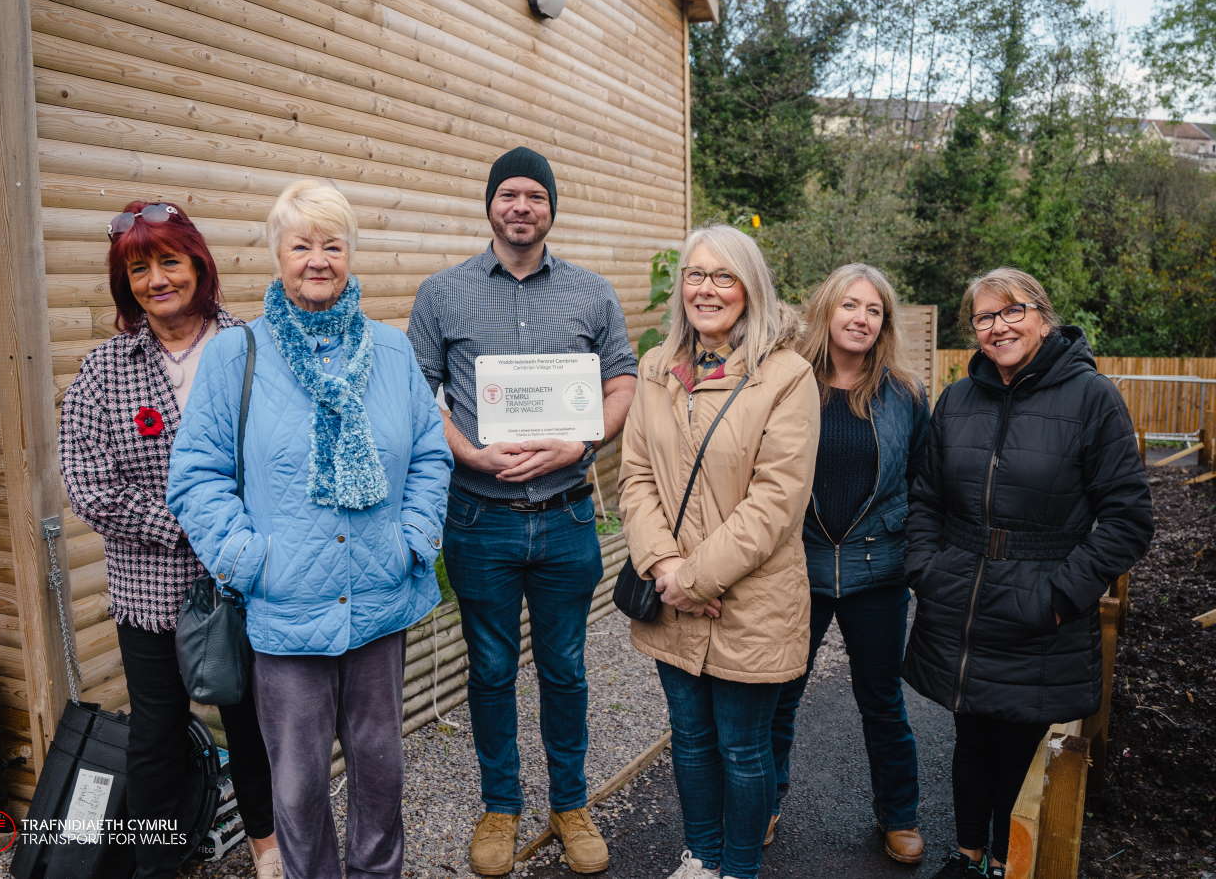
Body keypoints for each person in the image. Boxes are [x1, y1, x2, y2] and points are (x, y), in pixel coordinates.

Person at [167, 180, 452, 879]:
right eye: (302, 245)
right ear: (278, 255)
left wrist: (413, 538)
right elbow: (197, 478)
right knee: (296, 786)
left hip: (381, 599)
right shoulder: (238, 357)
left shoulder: (389, 352)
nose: (317, 259)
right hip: (285, 603)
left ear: (350, 253)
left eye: (332, 244)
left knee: (381, 773)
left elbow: (429, 454)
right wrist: (247, 558)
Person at [406, 146, 638, 876]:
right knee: (493, 669)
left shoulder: (592, 294)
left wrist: (580, 442)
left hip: (568, 515)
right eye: (509, 194)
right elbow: (416, 393)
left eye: (535, 196)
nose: (521, 207)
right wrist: (468, 454)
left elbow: (623, 381)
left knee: (567, 668)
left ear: (550, 209)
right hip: (481, 517)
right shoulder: (442, 294)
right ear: (490, 205)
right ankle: (501, 806)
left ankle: (570, 802)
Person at [904, 268, 1153, 879]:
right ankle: (964, 856)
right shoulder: (958, 400)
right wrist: (926, 570)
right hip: (961, 597)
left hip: (1039, 606)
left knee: (1017, 745)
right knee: (971, 737)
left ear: (1043, 316)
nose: (999, 326)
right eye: (985, 318)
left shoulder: (1092, 398)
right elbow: (924, 498)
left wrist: (1060, 595)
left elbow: (1128, 518)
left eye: (1012, 311)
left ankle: (1002, 860)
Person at [59, 201, 282, 879]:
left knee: (251, 725)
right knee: (155, 736)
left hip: (245, 579)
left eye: (169, 261)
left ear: (197, 266)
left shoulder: (252, 348)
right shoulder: (104, 371)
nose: (157, 279)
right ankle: (156, 863)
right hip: (150, 591)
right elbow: (89, 485)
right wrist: (191, 526)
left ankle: (270, 848)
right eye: (139, 267)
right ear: (124, 281)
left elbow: (283, 458)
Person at [618, 225, 820, 879]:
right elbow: (636, 475)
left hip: (752, 601)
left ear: (750, 287)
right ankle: (700, 858)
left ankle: (738, 867)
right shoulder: (656, 368)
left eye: (723, 275)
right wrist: (666, 568)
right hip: (674, 593)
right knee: (692, 743)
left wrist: (696, 579)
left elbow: (776, 501)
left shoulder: (786, 377)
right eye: (695, 274)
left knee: (742, 749)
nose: (706, 288)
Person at [768, 263, 929, 864]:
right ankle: (767, 801)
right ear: (826, 310)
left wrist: (914, 557)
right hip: (796, 566)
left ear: (884, 322)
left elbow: (923, 484)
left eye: (874, 310)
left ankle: (900, 816)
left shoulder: (905, 395)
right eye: (850, 306)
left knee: (882, 701)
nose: (861, 319)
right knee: (781, 694)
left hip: (878, 570)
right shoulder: (788, 380)